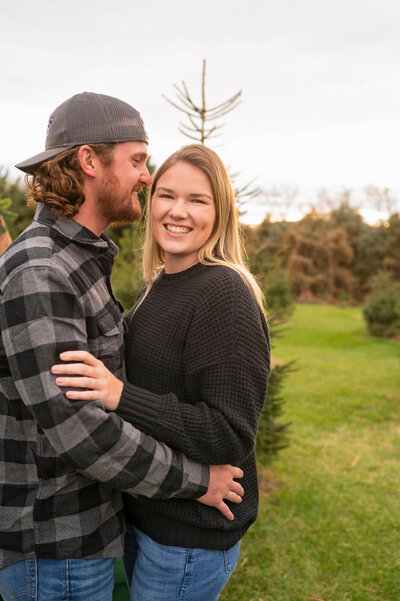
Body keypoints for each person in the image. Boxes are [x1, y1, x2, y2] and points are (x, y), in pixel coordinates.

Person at [0, 94, 244, 601]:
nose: (146, 176)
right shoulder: (43, 272)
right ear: (90, 161)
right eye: (137, 160)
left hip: (92, 533)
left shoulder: (81, 259)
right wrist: (198, 481)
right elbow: (81, 434)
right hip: (54, 544)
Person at [51, 144, 271, 601]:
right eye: (167, 195)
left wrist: (119, 395)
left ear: (221, 212)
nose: (178, 211)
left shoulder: (223, 294)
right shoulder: (161, 286)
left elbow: (228, 434)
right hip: (149, 519)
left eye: (197, 200)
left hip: (187, 540)